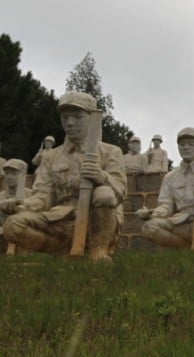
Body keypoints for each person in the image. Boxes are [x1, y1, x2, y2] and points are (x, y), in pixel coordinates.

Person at [0, 92, 126, 260]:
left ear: (91, 118)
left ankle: (98, 252)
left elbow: (120, 191)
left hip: (96, 222)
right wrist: (22, 205)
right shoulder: (51, 157)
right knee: (12, 225)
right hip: (59, 220)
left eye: (77, 117)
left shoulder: (110, 152)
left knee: (104, 193)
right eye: (65, 117)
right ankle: (61, 250)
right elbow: (43, 195)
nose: (70, 123)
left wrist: (101, 176)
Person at [136, 127, 194, 251]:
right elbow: (166, 205)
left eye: (191, 144)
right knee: (149, 227)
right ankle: (183, 248)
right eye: (182, 144)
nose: (186, 147)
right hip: (178, 224)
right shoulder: (170, 177)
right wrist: (152, 213)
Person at [0, 158, 28, 251]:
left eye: (13, 173)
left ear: (22, 175)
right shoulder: (1, 196)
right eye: (7, 173)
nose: (9, 177)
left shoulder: (32, 196)